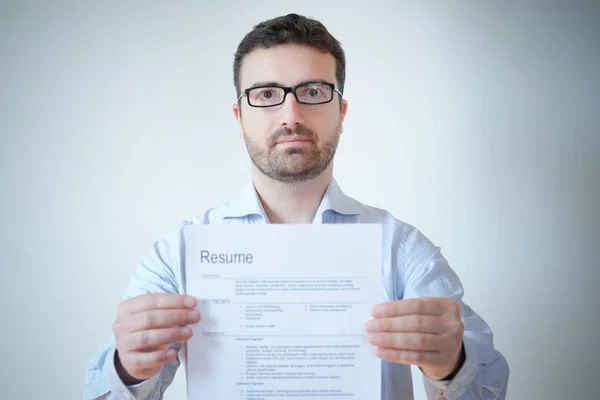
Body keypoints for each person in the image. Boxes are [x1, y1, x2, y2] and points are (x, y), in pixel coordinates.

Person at [83, 13, 509, 400]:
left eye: (312, 91)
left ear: (341, 112)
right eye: (267, 93)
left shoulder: (403, 251)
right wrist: (128, 370)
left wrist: (452, 366)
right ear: (239, 117)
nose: (291, 112)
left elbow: (488, 392)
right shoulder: (177, 256)